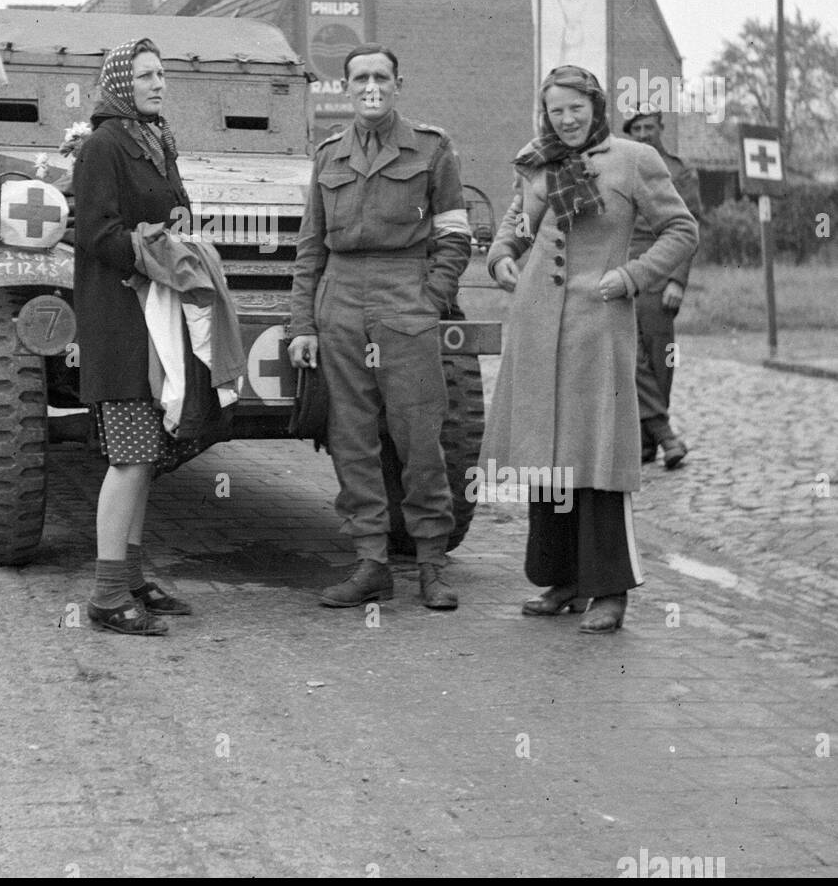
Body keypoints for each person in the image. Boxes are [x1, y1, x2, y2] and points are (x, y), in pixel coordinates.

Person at [482, 67, 698, 635]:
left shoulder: (633, 159)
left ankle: (610, 590)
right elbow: (516, 222)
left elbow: (681, 229)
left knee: (599, 452)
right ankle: (564, 579)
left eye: (576, 108)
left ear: (596, 105)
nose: (567, 119)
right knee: (549, 452)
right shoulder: (538, 159)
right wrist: (502, 253)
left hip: (598, 325)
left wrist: (631, 276)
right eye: (556, 111)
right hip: (536, 324)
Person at [287, 47, 472, 610]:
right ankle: (371, 561)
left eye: (381, 77)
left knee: (419, 435)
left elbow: (456, 237)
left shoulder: (432, 150)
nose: (371, 86)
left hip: (404, 296)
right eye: (360, 78)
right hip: (339, 300)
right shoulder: (327, 156)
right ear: (346, 87)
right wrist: (303, 325)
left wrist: (429, 299)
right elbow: (309, 248)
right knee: (351, 437)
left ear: (398, 84)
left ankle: (431, 566)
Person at [73, 38, 211, 636]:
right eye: (147, 75)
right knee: (130, 455)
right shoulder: (104, 145)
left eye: (163, 74)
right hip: (121, 315)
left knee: (146, 455)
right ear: (122, 83)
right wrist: (153, 246)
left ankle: (130, 577)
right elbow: (95, 232)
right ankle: (106, 596)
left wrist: (182, 227)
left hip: (157, 311)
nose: (159, 83)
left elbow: (175, 207)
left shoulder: (158, 141)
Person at [623, 106, 703, 468]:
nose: (643, 134)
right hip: (623, 268)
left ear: (660, 128)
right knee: (630, 353)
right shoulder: (622, 165)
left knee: (659, 358)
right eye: (636, 128)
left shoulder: (680, 172)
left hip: (662, 269)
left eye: (649, 127)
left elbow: (690, 228)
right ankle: (662, 435)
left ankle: (648, 438)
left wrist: (677, 280)